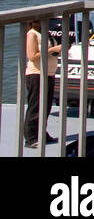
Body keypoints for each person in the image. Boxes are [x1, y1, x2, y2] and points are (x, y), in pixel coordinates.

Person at [24, 19, 60, 147]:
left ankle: (41, 133)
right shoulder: (32, 34)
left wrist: (58, 50)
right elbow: (32, 56)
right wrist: (52, 50)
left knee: (46, 106)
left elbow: (49, 51)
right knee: (36, 106)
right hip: (36, 74)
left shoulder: (47, 33)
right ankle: (31, 138)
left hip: (49, 73)